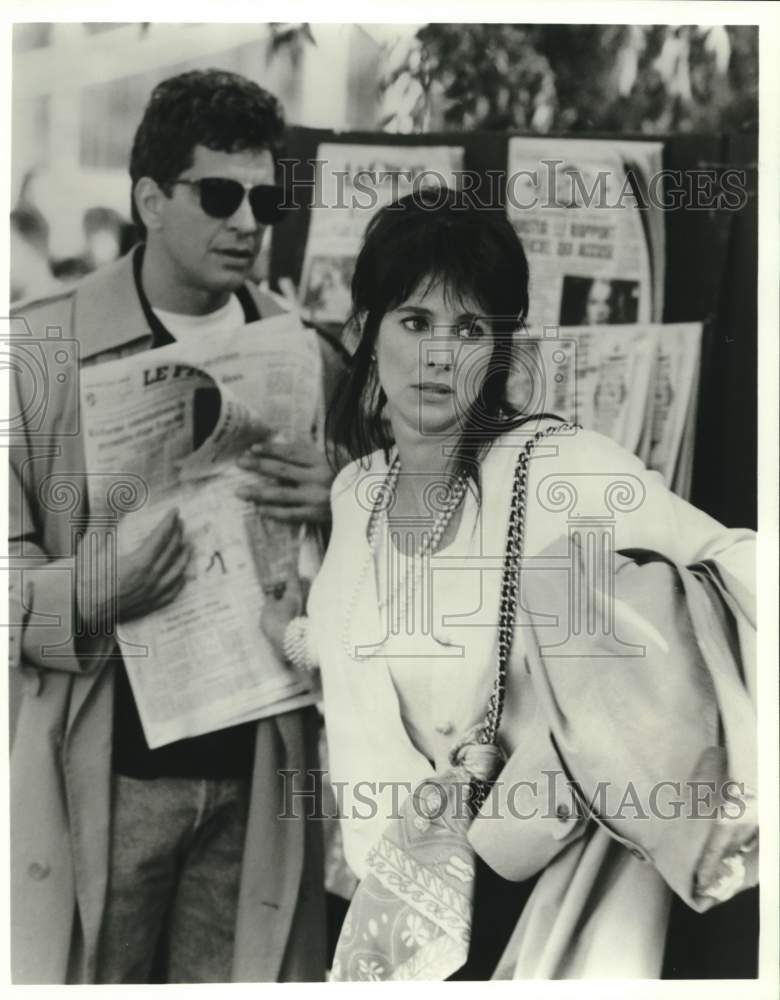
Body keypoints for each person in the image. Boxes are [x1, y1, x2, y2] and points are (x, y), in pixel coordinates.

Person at [261, 188, 758, 980]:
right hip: (397, 914)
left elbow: (742, 569)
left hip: (538, 910)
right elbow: (366, 661)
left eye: (470, 329)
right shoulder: (358, 492)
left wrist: (622, 662)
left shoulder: (563, 472)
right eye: (415, 322)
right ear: (362, 331)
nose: (439, 355)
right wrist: (296, 634)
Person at [9, 69, 347, 984]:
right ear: (150, 199)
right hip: (101, 776)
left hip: (259, 774)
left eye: (265, 196)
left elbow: (364, 570)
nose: (249, 220)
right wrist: (90, 591)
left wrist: (339, 504)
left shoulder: (304, 352)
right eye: (220, 195)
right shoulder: (37, 348)